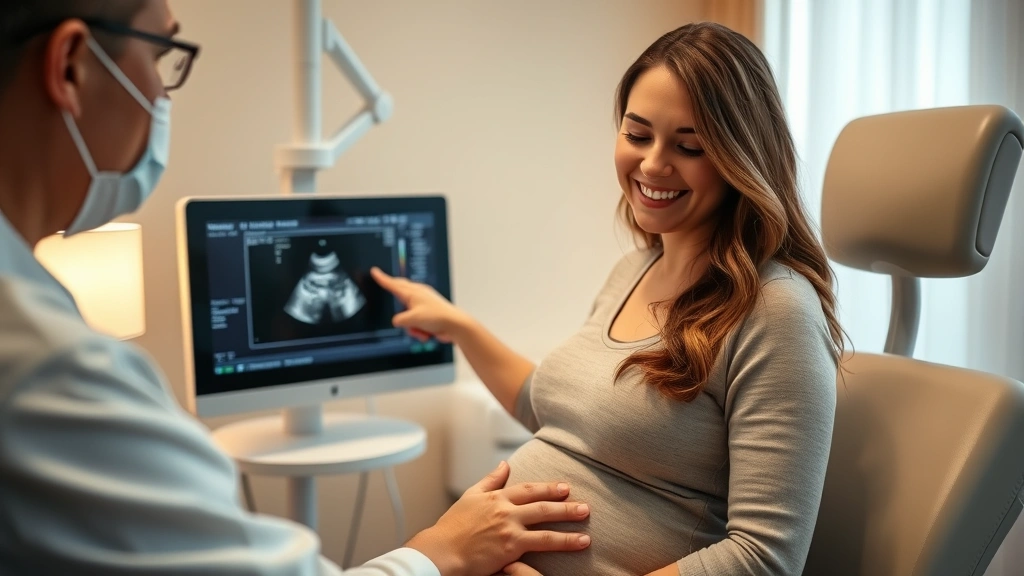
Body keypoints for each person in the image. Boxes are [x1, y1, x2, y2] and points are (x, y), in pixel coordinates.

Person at [0, 1, 592, 575]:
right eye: (160, 57)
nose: (161, 95)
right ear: (71, 66)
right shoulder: (50, 371)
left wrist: (458, 326)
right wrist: (439, 551)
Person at [372, 21, 845, 576]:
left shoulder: (776, 310)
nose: (652, 165)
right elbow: (556, 413)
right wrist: (459, 327)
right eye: (638, 135)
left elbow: (765, 557)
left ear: (741, 157)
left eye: (689, 146)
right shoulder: (633, 269)